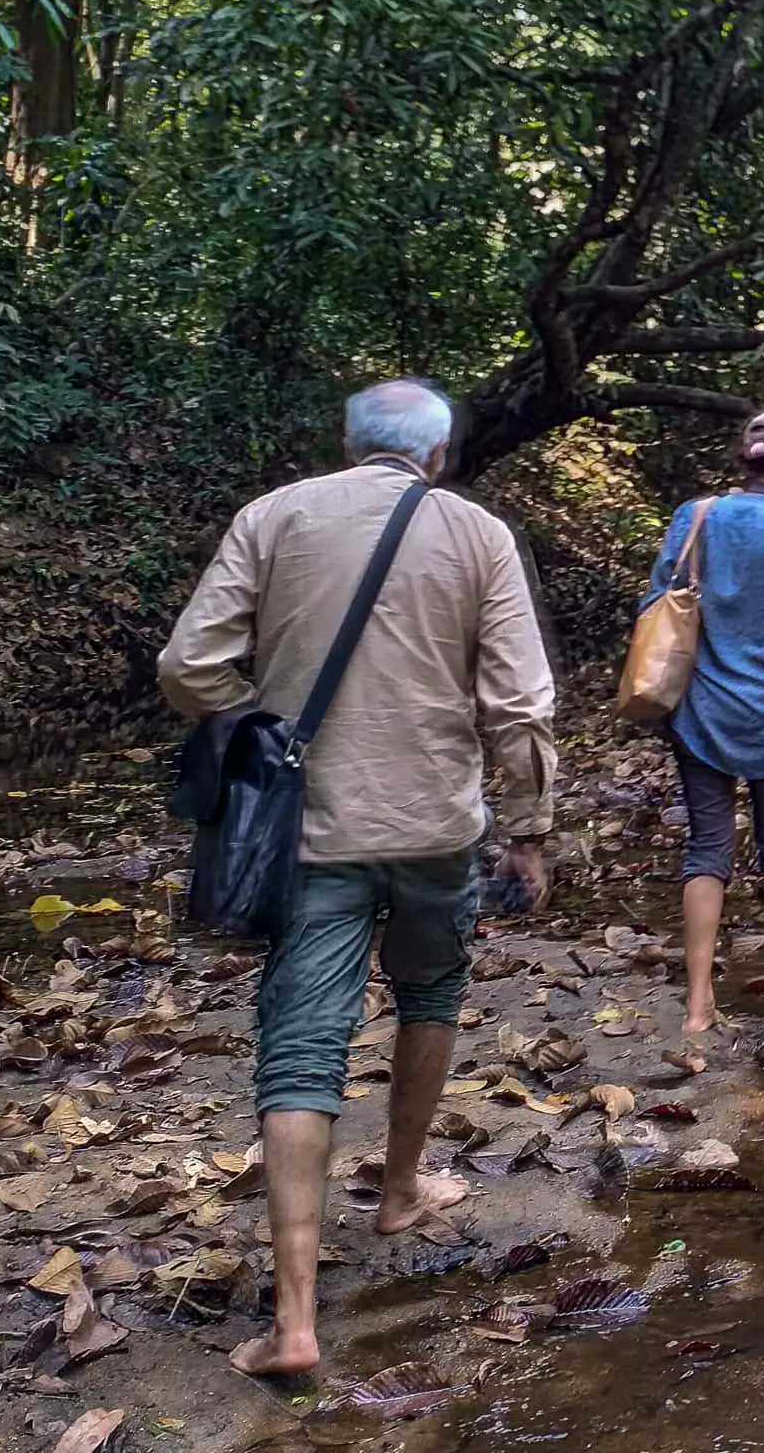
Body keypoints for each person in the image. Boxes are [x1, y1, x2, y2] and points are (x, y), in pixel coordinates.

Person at [156, 379, 556, 1379]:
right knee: (431, 991)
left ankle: (294, 1323)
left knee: (300, 1049)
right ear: (438, 454)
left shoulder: (274, 517)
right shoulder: (478, 534)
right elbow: (518, 702)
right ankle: (402, 1188)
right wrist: (529, 829)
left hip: (311, 830)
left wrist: (259, 722)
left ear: (348, 442)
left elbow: (188, 665)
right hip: (437, 826)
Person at [646, 409, 764, 1033]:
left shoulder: (694, 516)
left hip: (700, 708)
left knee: (706, 846)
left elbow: (658, 600)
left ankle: (699, 1003)